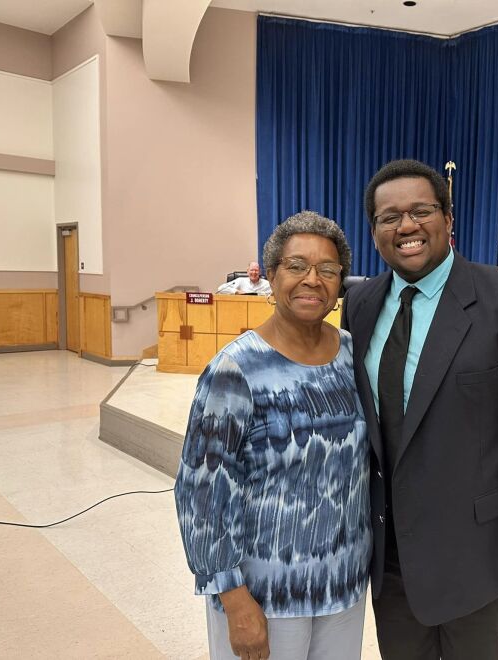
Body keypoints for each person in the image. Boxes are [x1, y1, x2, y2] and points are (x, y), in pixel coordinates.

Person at [342, 160, 498, 660]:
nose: (406, 226)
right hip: (390, 560)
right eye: (389, 217)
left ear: (449, 219)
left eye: (421, 211)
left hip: (477, 556)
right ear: (375, 230)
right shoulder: (359, 305)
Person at [175, 211, 372, 660]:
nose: (312, 280)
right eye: (296, 266)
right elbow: (200, 495)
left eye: (328, 269)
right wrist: (233, 597)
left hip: (342, 586)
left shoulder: (350, 354)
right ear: (270, 275)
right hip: (264, 594)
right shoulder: (236, 369)